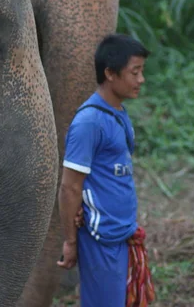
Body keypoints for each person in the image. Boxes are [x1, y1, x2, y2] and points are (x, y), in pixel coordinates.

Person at [56, 33, 155, 307]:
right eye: (134, 72)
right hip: (101, 238)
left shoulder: (117, 113)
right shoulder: (88, 122)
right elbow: (69, 186)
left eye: (142, 71)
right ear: (110, 73)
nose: (141, 80)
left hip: (119, 233)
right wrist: (70, 241)